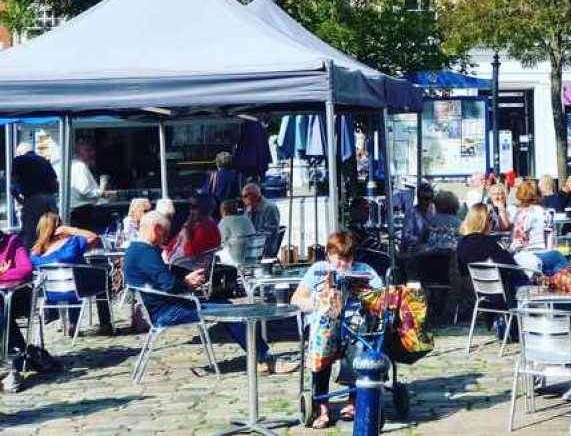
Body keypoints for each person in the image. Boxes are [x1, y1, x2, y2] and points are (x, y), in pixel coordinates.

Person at [124, 211, 289, 375]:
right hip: (170, 311)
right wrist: (188, 283)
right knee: (232, 312)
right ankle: (264, 358)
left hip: (165, 307)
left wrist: (185, 281)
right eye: (165, 234)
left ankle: (261, 357)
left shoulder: (133, 249)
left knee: (227, 306)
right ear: (157, 229)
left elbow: (163, 282)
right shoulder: (146, 252)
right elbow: (169, 285)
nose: (164, 239)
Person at [291, 231, 382, 428]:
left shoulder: (364, 269)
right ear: (329, 254)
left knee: (361, 333)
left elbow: (382, 298)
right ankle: (322, 404)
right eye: (339, 259)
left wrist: (366, 295)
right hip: (324, 323)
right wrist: (318, 301)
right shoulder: (318, 269)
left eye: (348, 258)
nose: (343, 264)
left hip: (354, 324)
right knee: (325, 333)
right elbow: (296, 300)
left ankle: (354, 399)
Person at [31, 211, 112, 336]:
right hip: (76, 288)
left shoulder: (35, 253)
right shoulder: (71, 244)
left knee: (72, 279)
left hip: (50, 293)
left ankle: (72, 324)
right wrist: (71, 230)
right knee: (102, 275)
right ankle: (105, 323)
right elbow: (94, 237)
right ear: (59, 226)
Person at [0, 227, 34, 392]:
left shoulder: (12, 242)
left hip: (16, 299)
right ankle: (15, 355)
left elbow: (26, 269)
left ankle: (6, 366)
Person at [10, 142, 59, 245]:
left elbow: (13, 186)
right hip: (50, 200)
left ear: (19, 152)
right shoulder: (44, 161)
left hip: (33, 199)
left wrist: (20, 200)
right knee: (52, 229)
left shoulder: (18, 160)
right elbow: (55, 185)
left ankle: (30, 258)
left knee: (30, 233)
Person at [164, 195, 221, 268]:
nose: (190, 210)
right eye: (189, 206)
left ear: (205, 209)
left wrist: (187, 232)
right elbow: (173, 244)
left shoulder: (207, 228)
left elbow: (190, 254)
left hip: (187, 267)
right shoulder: (194, 224)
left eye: (194, 207)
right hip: (174, 262)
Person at [241, 182, 282, 257]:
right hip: (252, 246)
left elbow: (270, 233)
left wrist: (251, 237)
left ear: (251, 196)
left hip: (264, 248)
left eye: (244, 196)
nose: (242, 199)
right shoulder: (249, 208)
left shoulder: (269, 208)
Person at [70, 137, 106, 209]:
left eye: (93, 150)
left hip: (81, 208)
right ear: (78, 151)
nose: (93, 153)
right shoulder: (79, 166)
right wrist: (100, 193)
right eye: (88, 150)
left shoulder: (75, 165)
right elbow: (85, 191)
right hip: (84, 209)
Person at [218, 199, 255, 266]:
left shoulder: (224, 221)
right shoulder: (246, 219)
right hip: (252, 257)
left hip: (234, 258)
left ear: (223, 211)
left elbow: (220, 241)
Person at [401, 183, 434, 253]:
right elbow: (406, 238)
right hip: (412, 254)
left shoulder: (433, 212)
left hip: (430, 250)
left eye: (431, 198)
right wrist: (421, 237)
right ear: (419, 198)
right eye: (425, 198)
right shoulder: (411, 214)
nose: (428, 202)